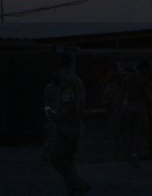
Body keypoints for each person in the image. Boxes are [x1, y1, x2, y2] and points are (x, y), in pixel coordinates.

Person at [46, 54, 91, 196]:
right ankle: (73, 188)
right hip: (77, 125)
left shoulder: (66, 81)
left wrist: (57, 117)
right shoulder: (78, 81)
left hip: (66, 126)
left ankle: (78, 184)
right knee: (68, 158)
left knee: (56, 158)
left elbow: (69, 103)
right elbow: (81, 103)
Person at [118, 61, 152, 168]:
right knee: (140, 132)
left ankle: (130, 154)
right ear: (144, 69)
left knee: (129, 132)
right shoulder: (143, 79)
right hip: (140, 107)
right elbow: (148, 94)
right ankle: (136, 153)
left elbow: (121, 94)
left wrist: (120, 108)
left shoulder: (127, 78)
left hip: (128, 106)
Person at [42, 70, 62, 164]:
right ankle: (46, 157)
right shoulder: (50, 88)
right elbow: (47, 103)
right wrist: (50, 115)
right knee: (51, 139)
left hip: (58, 115)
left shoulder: (59, 88)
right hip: (52, 116)